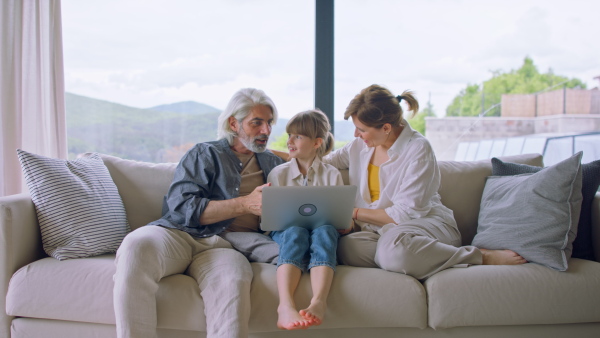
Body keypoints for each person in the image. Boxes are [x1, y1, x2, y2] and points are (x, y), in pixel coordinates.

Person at [113, 88, 284, 338]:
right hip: (179, 234)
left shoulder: (275, 165)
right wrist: (244, 203)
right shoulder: (206, 153)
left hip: (227, 248)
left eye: (269, 123)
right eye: (256, 122)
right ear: (233, 123)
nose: (266, 131)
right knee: (137, 245)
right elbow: (182, 208)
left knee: (233, 284)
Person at [322, 84, 526, 281]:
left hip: (421, 226)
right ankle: (410, 259)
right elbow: (323, 161)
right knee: (348, 248)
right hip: (381, 233)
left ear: (385, 127)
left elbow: (403, 215)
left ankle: (479, 256)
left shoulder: (418, 149)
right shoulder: (360, 146)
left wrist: (354, 212)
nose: (356, 135)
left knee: (394, 248)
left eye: (361, 129)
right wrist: (292, 157)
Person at [266, 109, 350, 330]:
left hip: (322, 229)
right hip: (287, 229)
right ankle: (285, 305)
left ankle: (318, 301)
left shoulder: (332, 174)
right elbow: (271, 217)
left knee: (324, 231)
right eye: (289, 135)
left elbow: (340, 216)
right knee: (296, 232)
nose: (290, 141)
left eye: (298, 136)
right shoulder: (278, 173)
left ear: (316, 143)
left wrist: (345, 223)